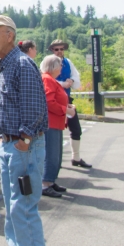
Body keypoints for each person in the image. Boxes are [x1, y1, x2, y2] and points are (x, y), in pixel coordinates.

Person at [0, 15, 55, 246]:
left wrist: (23, 138)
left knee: (23, 208)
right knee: (14, 208)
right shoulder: (7, 64)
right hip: (10, 143)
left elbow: (36, 108)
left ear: (10, 35)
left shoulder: (22, 64)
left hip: (22, 146)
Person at [48, 39, 91, 168]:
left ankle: (76, 157)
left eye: (61, 49)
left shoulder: (68, 63)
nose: (59, 51)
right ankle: (53, 160)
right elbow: (45, 80)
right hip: (54, 101)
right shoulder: (48, 62)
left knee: (76, 129)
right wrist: (62, 84)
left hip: (67, 99)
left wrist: (71, 80)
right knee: (55, 132)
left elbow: (76, 78)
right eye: (57, 49)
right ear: (52, 50)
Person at [39, 55, 75, 198]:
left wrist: (66, 106)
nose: (61, 68)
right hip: (51, 122)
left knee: (56, 154)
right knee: (52, 154)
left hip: (56, 122)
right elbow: (49, 101)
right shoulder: (47, 79)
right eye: (60, 65)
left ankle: (50, 181)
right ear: (53, 66)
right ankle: (45, 183)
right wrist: (65, 109)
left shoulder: (50, 79)